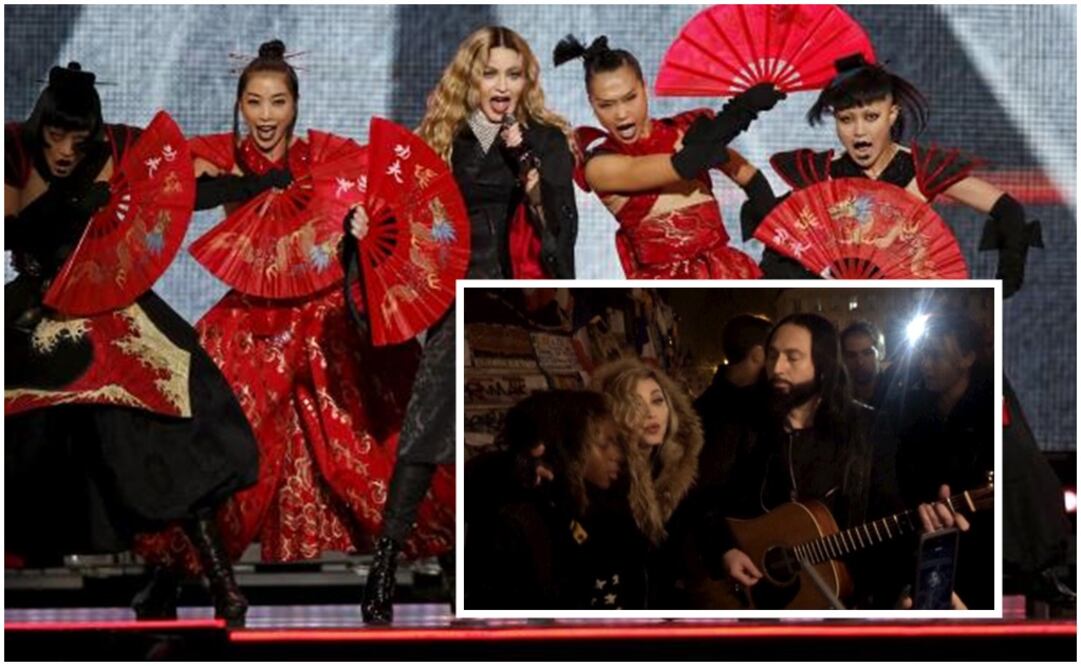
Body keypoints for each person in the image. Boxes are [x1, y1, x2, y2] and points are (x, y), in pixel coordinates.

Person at [133, 41, 454, 623]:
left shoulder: (323, 157)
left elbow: (381, 184)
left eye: (277, 101)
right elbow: (162, 183)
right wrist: (222, 184)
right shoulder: (221, 157)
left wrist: (361, 224)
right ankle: (172, 574)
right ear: (239, 106)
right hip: (251, 322)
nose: (265, 114)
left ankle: (447, 561)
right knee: (217, 450)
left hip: (322, 318)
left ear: (295, 106)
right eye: (253, 101)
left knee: (368, 449)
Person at [4, 62, 259, 625]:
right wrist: (69, 204)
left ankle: (224, 587)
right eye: (55, 137)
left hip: (114, 313)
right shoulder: (14, 149)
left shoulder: (120, 147)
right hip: (38, 314)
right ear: (40, 127)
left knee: (173, 431)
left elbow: (180, 191)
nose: (65, 151)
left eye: (76, 139)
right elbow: (11, 228)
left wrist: (253, 184)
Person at [348, 25, 580, 624]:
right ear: (470, 78)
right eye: (490, 73)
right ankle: (384, 567)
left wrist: (532, 184)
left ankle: (542, 572)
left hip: (516, 303)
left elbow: (561, 246)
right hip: (453, 304)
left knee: (532, 442)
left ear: (527, 79)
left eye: (513, 74)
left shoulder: (546, 142)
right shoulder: (441, 143)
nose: (501, 87)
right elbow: (403, 226)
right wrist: (362, 228)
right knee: (426, 432)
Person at [702, 313, 967, 609]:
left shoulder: (869, 428)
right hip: (761, 601)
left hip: (848, 600)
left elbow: (890, 509)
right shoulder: (745, 426)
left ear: (824, 366)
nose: (777, 368)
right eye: (773, 355)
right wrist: (725, 550)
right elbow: (704, 500)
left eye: (793, 358)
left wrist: (925, 528)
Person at [751, 54, 1041, 294]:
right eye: (846, 120)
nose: (859, 131)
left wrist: (1004, 283)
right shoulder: (820, 175)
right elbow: (782, 238)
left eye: (871, 117)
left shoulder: (920, 171)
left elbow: (1008, 210)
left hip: (908, 313)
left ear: (892, 114)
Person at [554, 34, 784, 279]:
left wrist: (780, 246)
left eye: (630, 98)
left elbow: (748, 175)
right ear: (591, 103)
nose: (621, 114)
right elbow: (684, 164)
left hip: (730, 273)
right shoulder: (599, 166)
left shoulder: (683, 130)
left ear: (644, 89)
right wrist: (744, 108)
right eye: (606, 105)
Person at [465, 390, 647, 610]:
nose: (617, 455)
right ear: (567, 448)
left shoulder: (610, 506)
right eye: (604, 444)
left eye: (617, 442)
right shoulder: (522, 523)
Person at [897, 313, 995, 609]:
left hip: (976, 565)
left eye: (936, 355)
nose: (925, 364)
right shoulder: (913, 414)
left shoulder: (988, 417)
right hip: (921, 557)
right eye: (924, 354)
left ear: (967, 358)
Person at [590, 357, 703, 607]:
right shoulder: (605, 475)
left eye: (657, 400)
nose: (652, 413)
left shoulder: (678, 465)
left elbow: (701, 520)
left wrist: (726, 551)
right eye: (635, 404)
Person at [840, 319, 895, 408]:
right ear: (842, 358)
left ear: (881, 353)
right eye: (851, 355)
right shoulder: (836, 401)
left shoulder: (898, 396)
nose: (860, 362)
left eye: (867, 353)